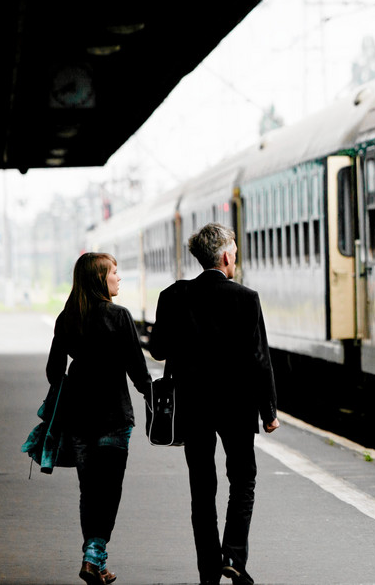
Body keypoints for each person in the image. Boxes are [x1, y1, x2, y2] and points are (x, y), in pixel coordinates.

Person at [150, 223, 279, 585]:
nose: (235, 258)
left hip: (192, 406)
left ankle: (209, 569)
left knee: (201, 488)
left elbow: (158, 350)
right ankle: (234, 557)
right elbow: (259, 359)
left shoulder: (173, 296)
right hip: (237, 406)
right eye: (234, 253)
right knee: (243, 479)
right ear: (225, 257)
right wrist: (269, 412)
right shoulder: (246, 298)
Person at [47, 252, 152, 585]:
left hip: (78, 418)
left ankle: (96, 560)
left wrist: (73, 382)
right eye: (114, 273)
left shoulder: (67, 318)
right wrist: (156, 399)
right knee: (109, 491)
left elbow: (53, 372)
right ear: (99, 279)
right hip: (114, 418)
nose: (119, 278)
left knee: (89, 491)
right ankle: (94, 556)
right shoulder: (119, 317)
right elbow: (138, 370)